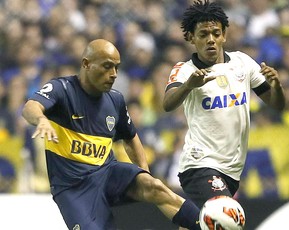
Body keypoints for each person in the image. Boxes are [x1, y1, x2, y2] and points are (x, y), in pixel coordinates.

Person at [22, 39, 201, 230]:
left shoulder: (115, 99)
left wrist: (145, 176)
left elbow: (130, 137)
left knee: (156, 187)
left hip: (107, 174)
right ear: (86, 64)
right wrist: (41, 120)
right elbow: (30, 107)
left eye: (116, 67)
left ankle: (205, 224)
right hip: (73, 189)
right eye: (107, 66)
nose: (113, 74)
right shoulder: (62, 89)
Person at [163, 0, 285, 211]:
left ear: (224, 35)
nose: (211, 40)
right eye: (203, 35)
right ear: (191, 38)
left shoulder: (243, 63)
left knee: (201, 224)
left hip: (232, 170)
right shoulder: (184, 70)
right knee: (226, 216)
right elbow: (167, 103)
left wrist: (277, 85)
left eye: (216, 33)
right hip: (200, 165)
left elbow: (277, 104)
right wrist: (188, 86)